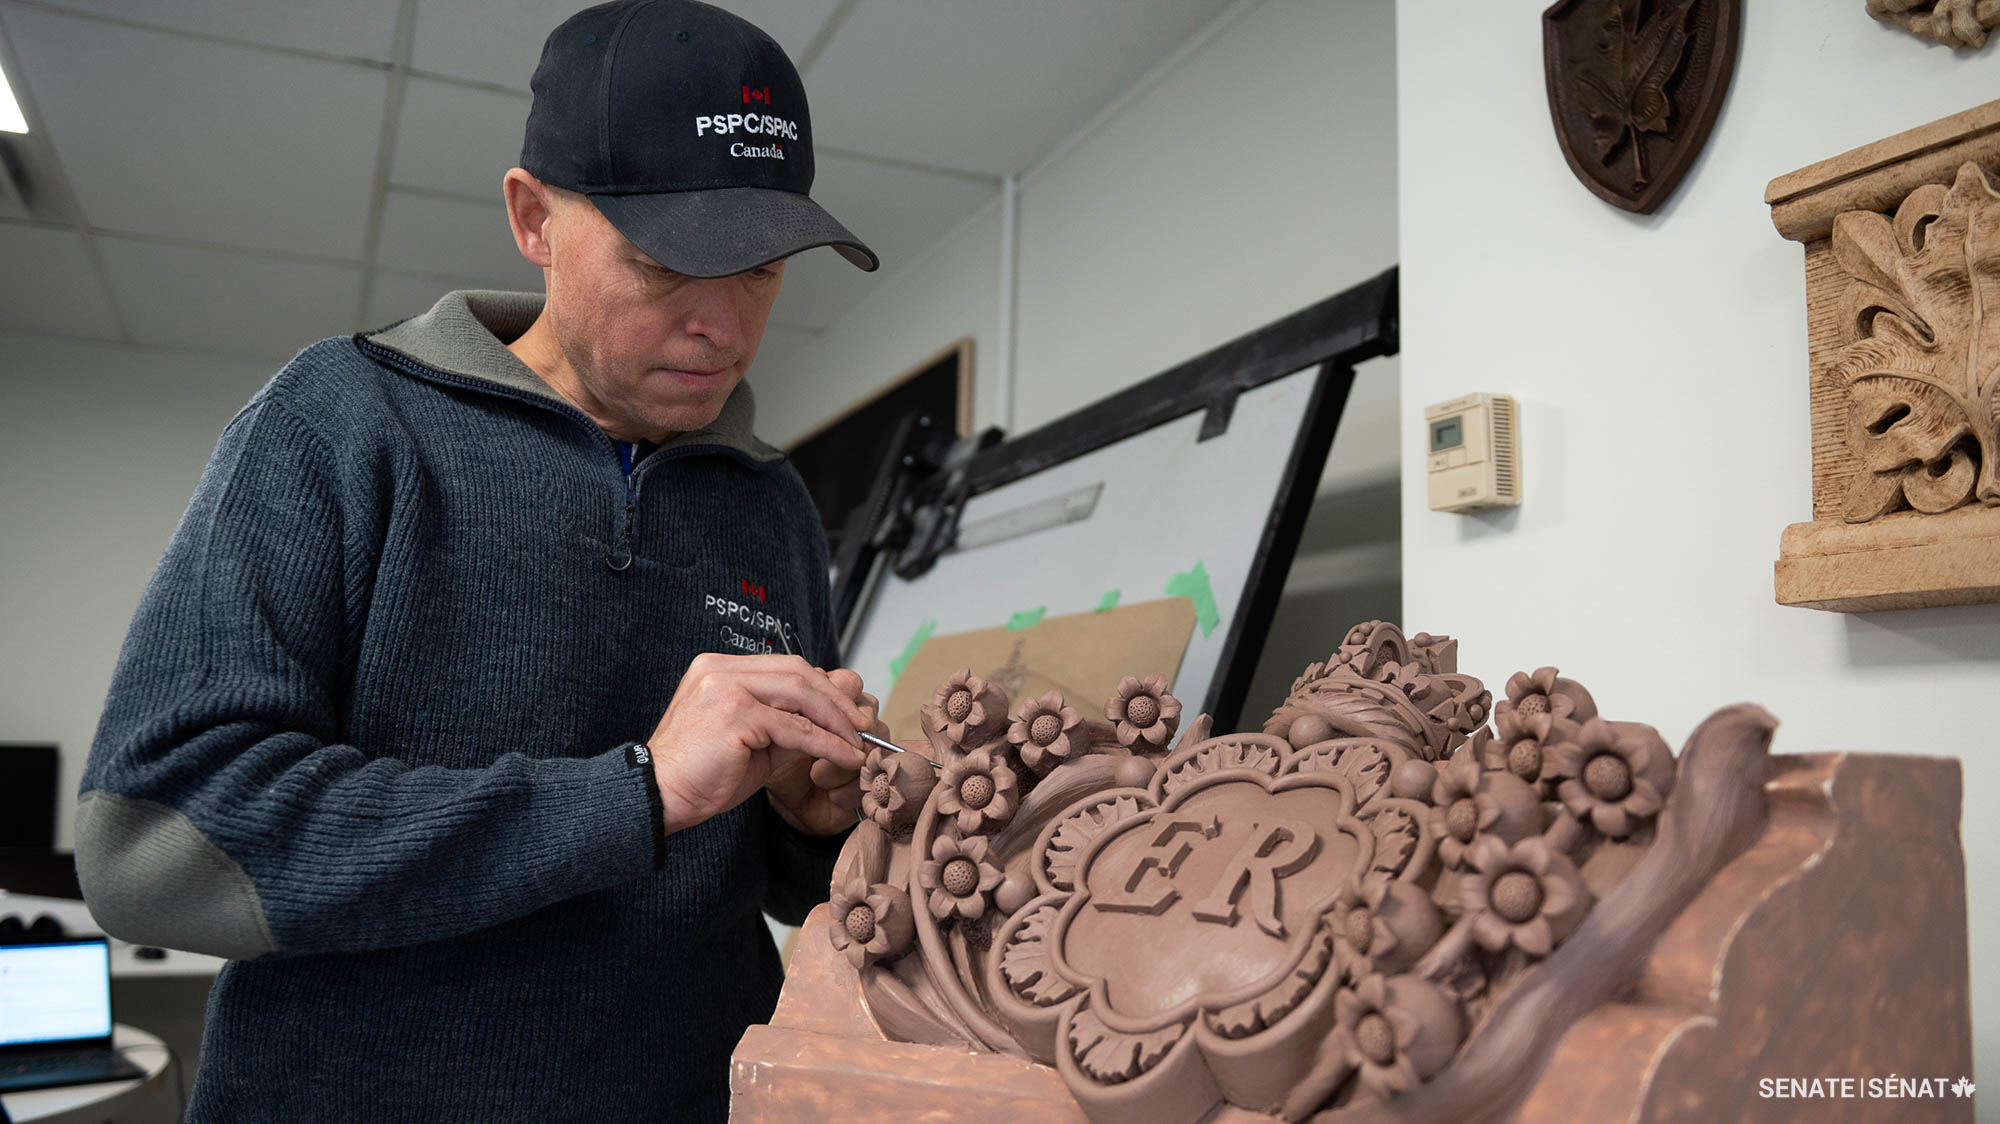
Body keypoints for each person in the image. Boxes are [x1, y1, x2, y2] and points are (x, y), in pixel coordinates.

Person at [73, 2, 883, 1119]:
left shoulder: (770, 501)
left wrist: (813, 819)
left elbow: (773, 887)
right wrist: (628, 795)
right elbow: (160, 837)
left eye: (761, 269)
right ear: (533, 217)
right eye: (665, 264)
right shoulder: (341, 422)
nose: (723, 326)